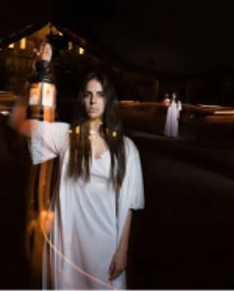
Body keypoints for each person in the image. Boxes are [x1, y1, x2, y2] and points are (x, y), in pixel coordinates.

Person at [11, 72, 145, 290]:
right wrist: (31, 85)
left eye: (100, 95)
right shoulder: (66, 136)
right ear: (82, 99)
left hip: (106, 244)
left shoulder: (126, 148)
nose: (93, 101)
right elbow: (20, 124)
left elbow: (130, 203)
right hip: (69, 243)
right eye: (88, 94)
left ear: (108, 100)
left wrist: (122, 250)